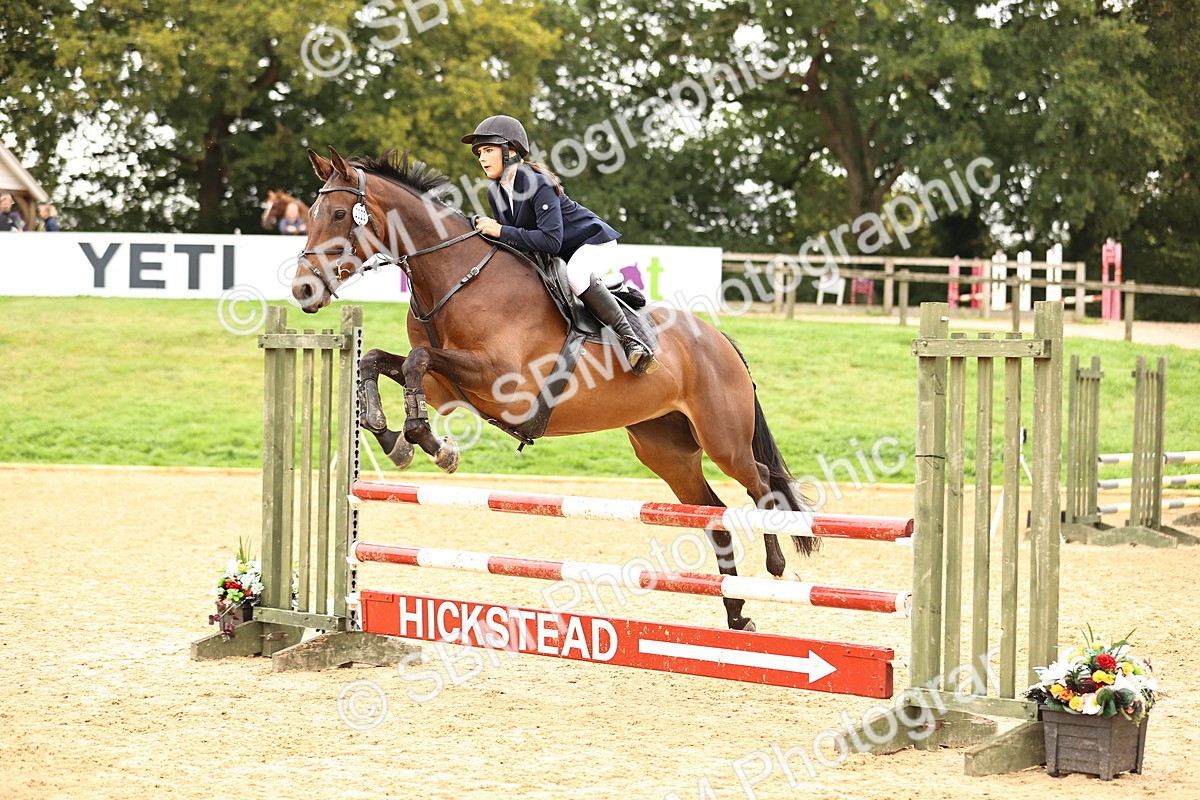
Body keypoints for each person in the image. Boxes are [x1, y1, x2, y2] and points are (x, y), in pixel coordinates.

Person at [462, 115, 658, 375]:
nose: (482, 158)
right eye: (479, 153)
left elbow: (550, 241)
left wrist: (500, 230)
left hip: (592, 242)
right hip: (561, 252)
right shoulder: (494, 192)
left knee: (576, 275)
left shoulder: (538, 183)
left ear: (511, 151)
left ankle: (631, 340)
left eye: (488, 150)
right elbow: (515, 242)